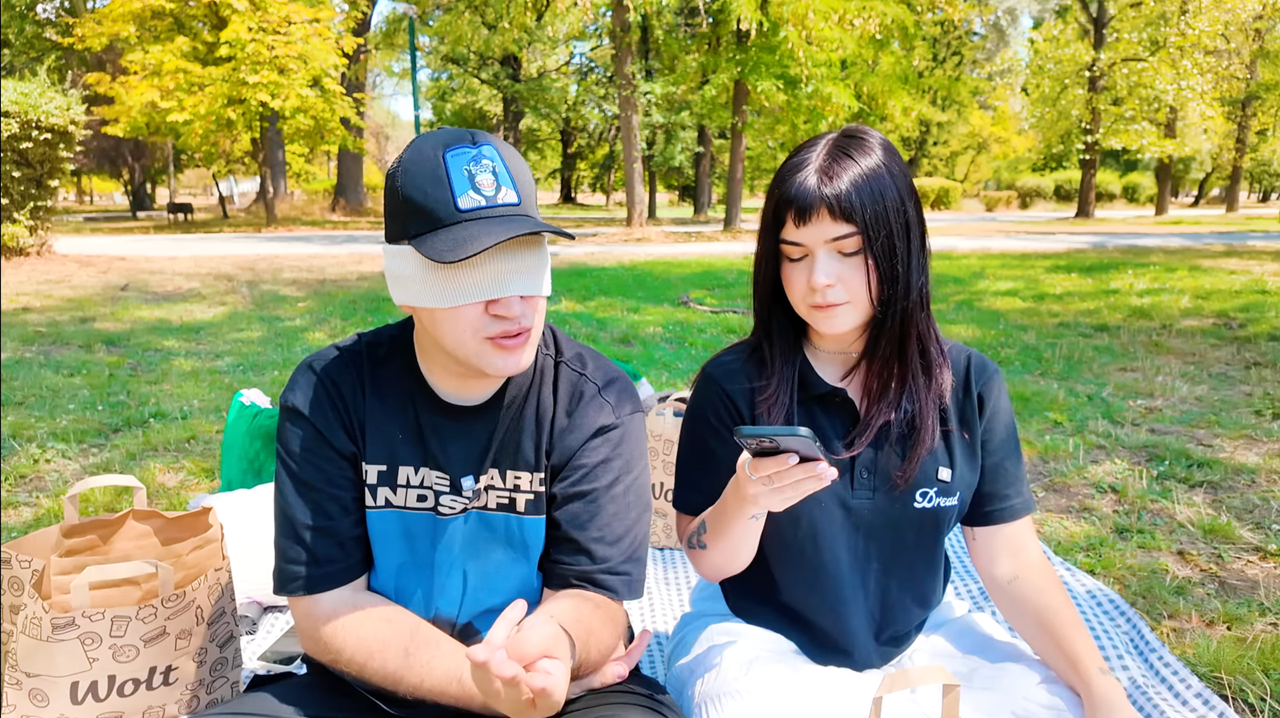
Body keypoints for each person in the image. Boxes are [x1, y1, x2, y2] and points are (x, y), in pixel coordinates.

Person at [666, 125, 1142, 718]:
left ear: (899, 244)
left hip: (922, 635)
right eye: (795, 254)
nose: (818, 279)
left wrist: (1100, 687)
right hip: (757, 638)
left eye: (847, 249)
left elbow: (1011, 563)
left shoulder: (967, 385)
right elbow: (708, 559)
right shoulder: (734, 382)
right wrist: (746, 498)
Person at [206, 128, 682, 718]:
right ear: (405, 281)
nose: (512, 304)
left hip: (555, 686)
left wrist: (549, 656)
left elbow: (593, 600)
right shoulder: (331, 390)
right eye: (474, 268)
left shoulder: (595, 403)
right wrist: (487, 691)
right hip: (377, 684)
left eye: (525, 259)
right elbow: (328, 610)